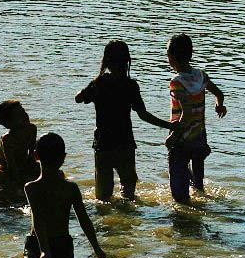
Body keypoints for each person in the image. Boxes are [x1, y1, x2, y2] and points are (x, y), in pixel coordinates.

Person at [22, 132, 107, 258]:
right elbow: (82, 221)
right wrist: (97, 248)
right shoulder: (60, 188)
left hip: (46, 243)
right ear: (64, 158)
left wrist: (43, 250)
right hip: (50, 243)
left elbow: (80, 219)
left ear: (36, 156)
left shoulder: (38, 187)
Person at [75, 39, 177, 201]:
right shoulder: (130, 85)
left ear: (106, 61)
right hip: (125, 145)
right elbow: (143, 115)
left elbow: (78, 98)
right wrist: (169, 125)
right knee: (129, 195)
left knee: (103, 198)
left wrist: (90, 87)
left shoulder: (99, 83)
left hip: (103, 145)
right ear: (127, 62)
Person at [165, 33, 227, 203]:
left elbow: (186, 113)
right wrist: (219, 105)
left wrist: (173, 136)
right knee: (198, 180)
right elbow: (219, 94)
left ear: (171, 57)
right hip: (199, 136)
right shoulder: (201, 75)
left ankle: (183, 207)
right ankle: (200, 196)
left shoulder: (177, 82)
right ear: (191, 54)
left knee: (178, 181)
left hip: (183, 137)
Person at [0, 100, 39, 187]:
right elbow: (10, 165)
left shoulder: (32, 129)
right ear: (9, 123)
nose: (25, 116)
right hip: (4, 164)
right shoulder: (7, 139)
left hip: (22, 160)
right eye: (19, 115)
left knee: (39, 167)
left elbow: (32, 154)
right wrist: (19, 182)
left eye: (24, 111)